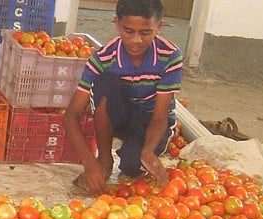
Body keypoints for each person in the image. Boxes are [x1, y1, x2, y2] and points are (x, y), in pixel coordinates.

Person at [64, 0, 182, 196]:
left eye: (145, 33)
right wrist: (89, 162)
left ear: (159, 27)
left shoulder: (170, 56)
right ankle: (105, 159)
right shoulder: (103, 58)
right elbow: (71, 116)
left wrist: (148, 151)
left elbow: (160, 117)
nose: (136, 40)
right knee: (106, 83)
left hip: (151, 122)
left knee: (132, 165)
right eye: (128, 31)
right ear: (117, 24)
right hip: (121, 116)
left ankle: (138, 151)